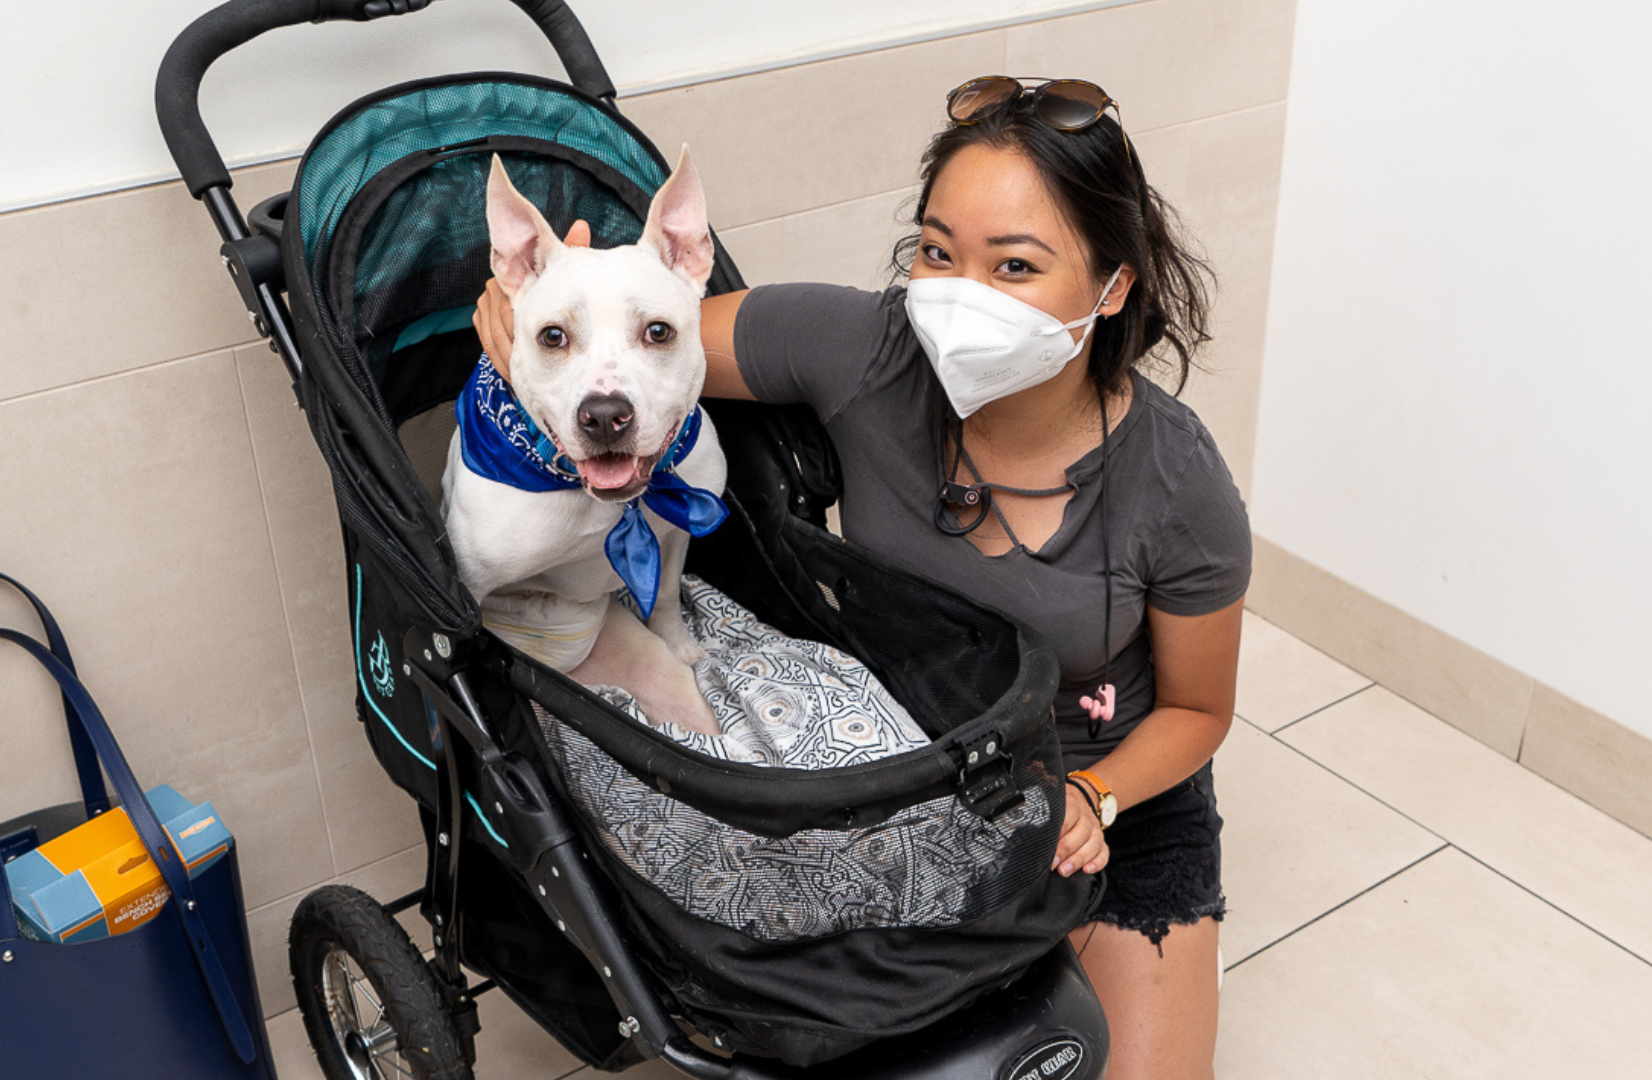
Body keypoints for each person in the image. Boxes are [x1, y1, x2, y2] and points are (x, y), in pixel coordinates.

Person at [475, 75, 1249, 1080]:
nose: (961, 293)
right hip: (916, 762)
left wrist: (1097, 796)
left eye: (1014, 265)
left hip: (1102, 794)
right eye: (938, 251)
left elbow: (1198, 710)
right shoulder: (862, 348)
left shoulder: (1176, 482)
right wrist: (546, 330)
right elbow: (637, 349)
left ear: (1111, 287)